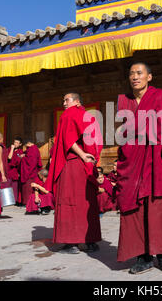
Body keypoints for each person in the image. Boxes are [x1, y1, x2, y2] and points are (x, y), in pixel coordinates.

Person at [115, 62, 162, 274]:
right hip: (133, 161)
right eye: (131, 73)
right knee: (136, 209)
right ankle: (143, 256)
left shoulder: (161, 97)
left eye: (139, 73)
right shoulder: (124, 101)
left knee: (159, 207)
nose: (135, 77)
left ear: (149, 77)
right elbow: (123, 132)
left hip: (156, 159)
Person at [46, 92, 103, 254]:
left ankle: (70, 243)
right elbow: (97, 141)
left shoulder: (69, 114)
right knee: (86, 203)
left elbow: (68, 140)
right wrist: (90, 158)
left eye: (66, 100)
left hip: (72, 163)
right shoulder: (89, 116)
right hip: (86, 166)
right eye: (63, 100)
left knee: (68, 200)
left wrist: (82, 155)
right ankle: (89, 241)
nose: (64, 103)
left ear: (77, 102)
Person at [20, 140, 42, 207]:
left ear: (29, 143)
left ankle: (27, 202)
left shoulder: (33, 149)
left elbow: (30, 161)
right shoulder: (35, 149)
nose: (26, 148)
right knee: (28, 188)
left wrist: (23, 158)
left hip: (30, 172)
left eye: (27, 146)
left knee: (28, 188)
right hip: (33, 172)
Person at [7, 136, 23, 204]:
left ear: (20, 144)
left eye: (17, 143)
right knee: (8, 185)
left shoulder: (20, 151)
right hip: (9, 170)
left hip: (16, 171)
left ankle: (14, 200)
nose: (15, 144)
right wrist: (12, 149)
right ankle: (8, 200)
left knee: (15, 186)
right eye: (14, 142)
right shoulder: (10, 149)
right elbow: (9, 157)